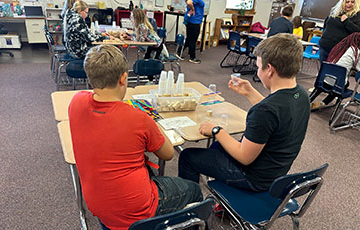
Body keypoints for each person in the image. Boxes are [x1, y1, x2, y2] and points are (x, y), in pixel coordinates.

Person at [68, 45, 203, 230]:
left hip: (98, 205)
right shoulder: (138, 118)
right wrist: (152, 124)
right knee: (193, 190)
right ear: (124, 78)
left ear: (90, 77)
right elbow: (168, 154)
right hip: (137, 211)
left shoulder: (76, 102)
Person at [178, 34, 310, 192]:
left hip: (253, 178)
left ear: (270, 70)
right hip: (275, 172)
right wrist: (250, 93)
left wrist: (216, 130)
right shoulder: (300, 94)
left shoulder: (265, 110)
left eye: (259, 66)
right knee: (218, 147)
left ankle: (192, 206)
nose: (258, 71)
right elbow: (275, 115)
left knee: (188, 157)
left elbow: (245, 157)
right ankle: (223, 200)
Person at [311, 32, 360, 109]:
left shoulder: (339, 48)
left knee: (335, 80)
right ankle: (324, 102)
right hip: (337, 85)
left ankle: (310, 99)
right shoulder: (355, 51)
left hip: (323, 80)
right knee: (343, 84)